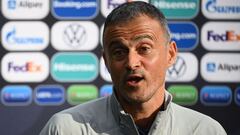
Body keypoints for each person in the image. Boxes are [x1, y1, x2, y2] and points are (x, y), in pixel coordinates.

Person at [40, 2, 227, 135]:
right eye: (119, 52)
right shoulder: (65, 129)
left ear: (170, 54)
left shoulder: (206, 130)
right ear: (106, 61)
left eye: (144, 48)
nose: (131, 62)